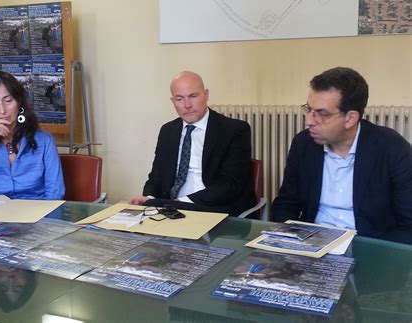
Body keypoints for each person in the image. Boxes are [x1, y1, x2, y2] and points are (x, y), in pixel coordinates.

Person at [271, 67, 412, 244]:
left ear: (350, 118)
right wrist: (283, 240)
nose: (309, 121)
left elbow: (409, 224)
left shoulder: (391, 148)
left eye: (322, 113)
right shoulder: (303, 144)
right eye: (309, 109)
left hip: (368, 246)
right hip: (310, 244)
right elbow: (286, 203)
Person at [130, 71, 253, 216]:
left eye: (193, 96)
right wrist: (149, 199)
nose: (187, 105)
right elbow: (156, 177)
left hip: (214, 209)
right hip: (171, 210)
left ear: (206, 95)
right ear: (173, 101)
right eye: (179, 99)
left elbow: (229, 185)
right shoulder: (168, 130)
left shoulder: (234, 130)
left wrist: (179, 203)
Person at [0, 71, 65, 200]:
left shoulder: (44, 140)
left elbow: (55, 193)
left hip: (36, 214)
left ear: (19, 102)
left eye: (8, 101)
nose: (2, 110)